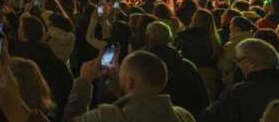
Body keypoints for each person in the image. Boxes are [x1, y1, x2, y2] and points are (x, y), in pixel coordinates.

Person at [197, 38, 279, 122]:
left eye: (239, 60)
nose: (238, 65)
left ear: (252, 63)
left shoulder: (238, 94)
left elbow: (207, 118)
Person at [63, 50, 195, 121]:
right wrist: (118, 80)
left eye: (122, 71)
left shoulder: (106, 116)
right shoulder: (184, 116)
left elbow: (71, 119)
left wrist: (84, 81)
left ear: (130, 81)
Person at [145, 21, 209, 117]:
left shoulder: (140, 65)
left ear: (146, 38)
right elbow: (202, 101)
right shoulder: (188, 67)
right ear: (170, 39)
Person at [11, 14, 74, 114]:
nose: (18, 31)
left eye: (20, 28)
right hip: (50, 108)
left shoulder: (18, 56)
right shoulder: (50, 53)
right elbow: (68, 82)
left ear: (24, 34)